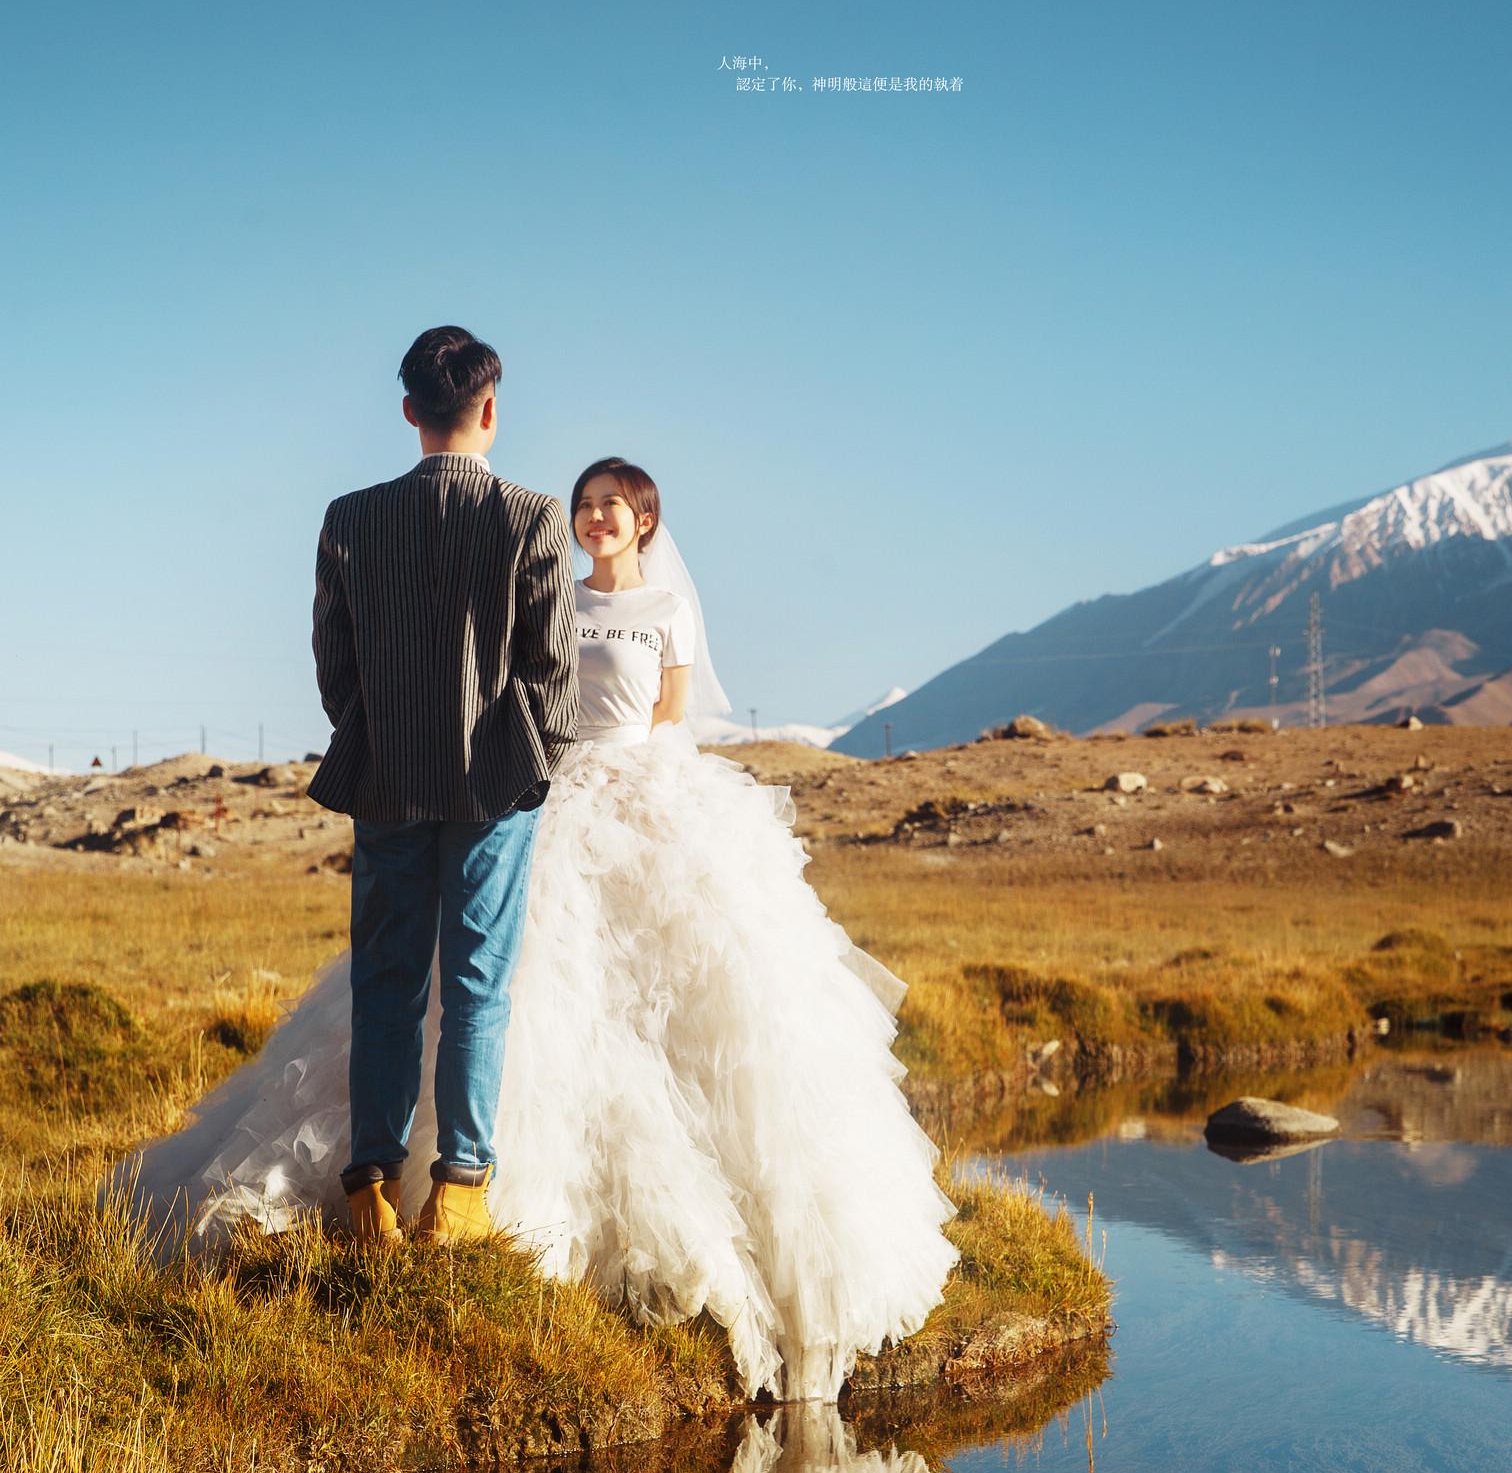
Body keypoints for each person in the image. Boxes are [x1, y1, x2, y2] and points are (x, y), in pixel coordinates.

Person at [113, 448, 956, 1402]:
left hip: (644, 792)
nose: (595, 519)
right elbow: (534, 676)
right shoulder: (556, 583)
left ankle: (476, 1194)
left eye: (613, 507)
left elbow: (672, 714)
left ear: (645, 521)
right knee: (501, 974)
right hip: (546, 784)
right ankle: (453, 1183)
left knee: (674, 978)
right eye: (585, 505)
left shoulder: (668, 612)